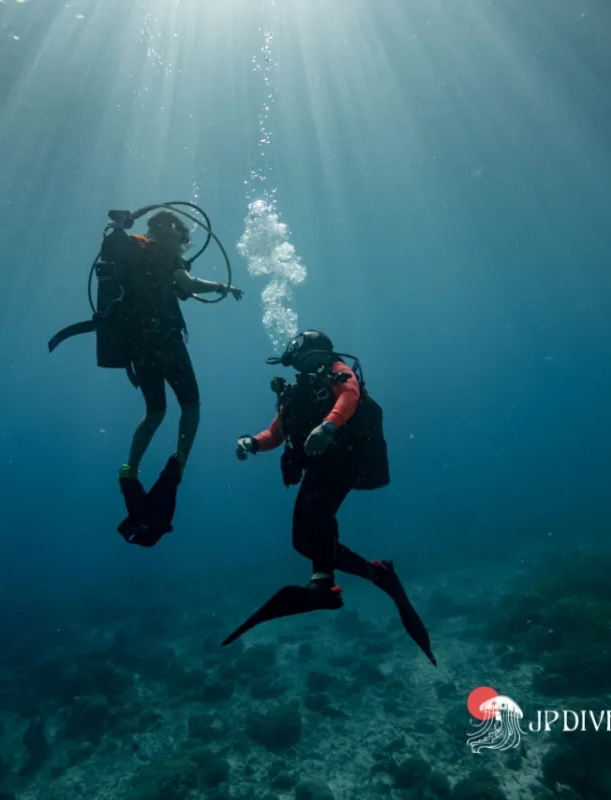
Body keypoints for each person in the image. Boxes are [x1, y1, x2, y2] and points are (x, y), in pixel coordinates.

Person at [224, 330, 436, 665]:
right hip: (321, 463)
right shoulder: (295, 393)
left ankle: (323, 583)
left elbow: (350, 394)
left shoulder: (337, 371)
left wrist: (328, 426)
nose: (305, 359)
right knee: (302, 539)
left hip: (346, 456)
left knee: (318, 513)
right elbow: (275, 433)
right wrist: (251, 442)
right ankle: (375, 574)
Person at [49, 206, 243, 546]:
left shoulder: (135, 254)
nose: (181, 245)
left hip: (138, 347)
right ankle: (179, 461)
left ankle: (130, 469)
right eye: (181, 240)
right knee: (191, 406)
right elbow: (187, 285)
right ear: (175, 237)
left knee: (155, 412)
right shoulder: (167, 256)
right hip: (167, 343)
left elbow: (170, 291)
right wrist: (222, 287)